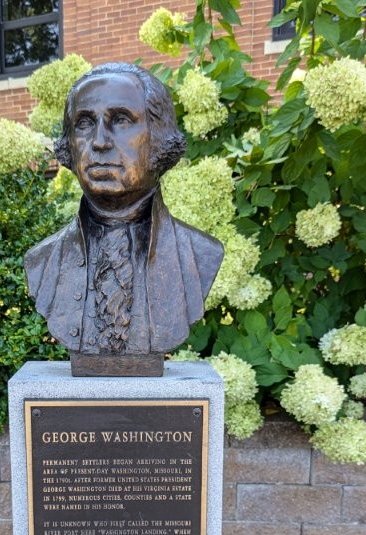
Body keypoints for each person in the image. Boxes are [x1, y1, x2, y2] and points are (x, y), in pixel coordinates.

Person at [24, 62, 223, 373]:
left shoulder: (202, 254)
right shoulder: (41, 261)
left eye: (120, 120)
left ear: (159, 140)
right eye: (85, 123)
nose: (100, 141)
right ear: (69, 148)